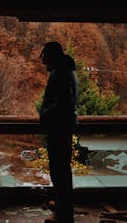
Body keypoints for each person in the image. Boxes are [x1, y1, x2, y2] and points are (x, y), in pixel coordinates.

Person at [39, 42, 78, 223]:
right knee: (62, 168)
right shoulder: (65, 71)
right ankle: (63, 204)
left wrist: (45, 114)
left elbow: (64, 104)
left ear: (53, 55)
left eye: (44, 55)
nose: (42, 59)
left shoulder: (60, 74)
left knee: (59, 169)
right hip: (62, 127)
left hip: (59, 128)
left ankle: (63, 213)